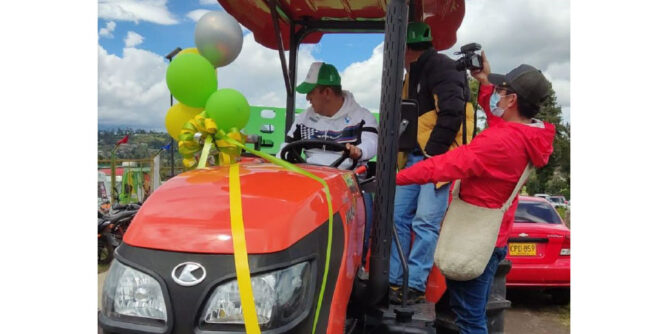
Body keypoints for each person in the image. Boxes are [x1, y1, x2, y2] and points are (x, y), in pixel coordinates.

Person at [395, 52, 556, 333]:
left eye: (502, 91)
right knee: (473, 312)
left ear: (512, 100)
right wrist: (484, 83)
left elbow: (445, 165)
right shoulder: (529, 134)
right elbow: (499, 122)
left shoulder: (500, 142)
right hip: (493, 235)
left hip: (472, 237)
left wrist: (395, 177)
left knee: (469, 319)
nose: (497, 96)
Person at [389, 21, 472, 304]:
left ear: (406, 49)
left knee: (425, 222)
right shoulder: (411, 76)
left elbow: (452, 113)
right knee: (396, 216)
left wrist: (433, 155)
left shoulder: (442, 68)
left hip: (434, 159)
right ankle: (393, 280)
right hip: (413, 157)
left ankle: (413, 284)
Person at [283, 61, 378, 170]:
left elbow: (371, 143)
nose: (307, 98)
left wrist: (358, 151)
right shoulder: (304, 118)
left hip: (349, 181)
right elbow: (286, 149)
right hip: (311, 178)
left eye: (310, 92)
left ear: (327, 92)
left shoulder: (363, 118)